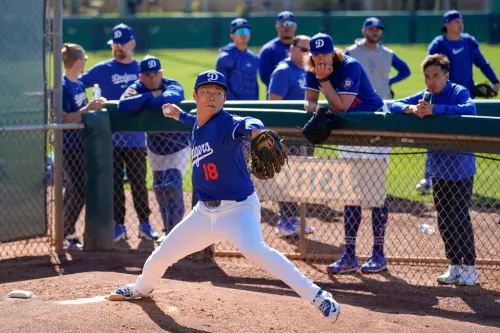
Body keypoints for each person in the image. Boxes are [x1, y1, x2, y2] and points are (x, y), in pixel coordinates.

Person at [107, 70, 340, 322]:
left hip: (238, 210)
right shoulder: (198, 121)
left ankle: (317, 296)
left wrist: (256, 134)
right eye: (206, 92)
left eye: (218, 93)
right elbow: (192, 121)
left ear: (224, 98)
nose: (212, 97)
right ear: (195, 96)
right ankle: (142, 288)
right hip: (204, 213)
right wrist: (177, 115)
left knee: (255, 251)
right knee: (162, 254)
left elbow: (249, 122)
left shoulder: (228, 123)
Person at [304, 33, 390, 274]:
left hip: (373, 127)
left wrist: (323, 81)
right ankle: (350, 256)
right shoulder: (313, 69)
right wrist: (318, 107)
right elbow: (308, 101)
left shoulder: (351, 65)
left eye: (325, 54)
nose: (321, 59)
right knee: (351, 194)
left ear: (334, 52)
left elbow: (342, 106)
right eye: (316, 55)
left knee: (374, 193)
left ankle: (378, 254)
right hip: (348, 132)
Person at [390, 54, 477, 286]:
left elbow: (470, 109)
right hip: (438, 169)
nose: (431, 81)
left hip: (461, 168)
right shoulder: (425, 95)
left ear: (446, 75)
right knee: (444, 220)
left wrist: (435, 110)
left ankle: (470, 267)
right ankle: (455, 265)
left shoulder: (458, 91)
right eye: (427, 77)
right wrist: (410, 108)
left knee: (459, 217)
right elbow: (393, 105)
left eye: (436, 76)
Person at [79, 23, 155, 241]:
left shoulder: (141, 70)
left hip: (136, 139)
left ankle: (144, 224)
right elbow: (76, 84)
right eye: (115, 44)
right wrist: (86, 104)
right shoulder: (103, 69)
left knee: (139, 183)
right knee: (114, 185)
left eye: (122, 44)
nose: (118, 48)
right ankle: (119, 225)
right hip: (110, 139)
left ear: (132, 43)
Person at [416, 10, 499, 195]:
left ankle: (462, 179)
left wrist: (495, 80)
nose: (459, 24)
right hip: (442, 97)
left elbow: (482, 63)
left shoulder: (469, 41)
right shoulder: (439, 44)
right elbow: (430, 67)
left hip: (463, 97)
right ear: (446, 24)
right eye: (455, 21)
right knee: (435, 140)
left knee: (464, 141)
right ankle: (429, 178)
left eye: (461, 21)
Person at [118, 55, 190, 242]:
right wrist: (151, 96)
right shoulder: (137, 87)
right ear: (141, 77)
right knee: (160, 189)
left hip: (178, 146)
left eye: (155, 74)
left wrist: (142, 101)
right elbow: (123, 106)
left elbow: (170, 99)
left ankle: (176, 235)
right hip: (156, 147)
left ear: (161, 73)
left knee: (172, 184)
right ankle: (169, 231)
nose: (152, 78)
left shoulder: (172, 83)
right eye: (147, 76)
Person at [267, 35, 314, 237]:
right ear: (292, 49)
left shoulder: (305, 70)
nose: (307, 53)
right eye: (303, 49)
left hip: (304, 133)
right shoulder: (283, 72)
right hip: (287, 135)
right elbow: (273, 103)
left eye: (309, 50)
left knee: (300, 178)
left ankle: (296, 219)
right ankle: (284, 220)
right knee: (286, 177)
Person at [61, 43, 106, 249]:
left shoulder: (78, 84)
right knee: (77, 190)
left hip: (80, 144)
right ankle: (65, 233)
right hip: (68, 145)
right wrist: (88, 108)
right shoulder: (62, 86)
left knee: (74, 190)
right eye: (85, 60)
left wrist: (93, 106)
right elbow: (63, 118)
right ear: (78, 62)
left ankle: (65, 232)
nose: (85, 63)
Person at [345, 17, 411, 100]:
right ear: (363, 31)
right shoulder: (351, 52)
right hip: (359, 101)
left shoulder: (388, 53)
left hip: (383, 100)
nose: (375, 32)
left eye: (378, 29)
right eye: (371, 29)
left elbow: (405, 71)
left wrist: (389, 81)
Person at [215, 18, 259, 101]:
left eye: (246, 31)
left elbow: (255, 85)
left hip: (252, 105)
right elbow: (221, 86)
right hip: (233, 106)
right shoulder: (225, 57)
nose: (243, 34)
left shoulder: (254, 58)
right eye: (239, 31)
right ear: (232, 35)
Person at [259, 11, 297, 89]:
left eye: (290, 23)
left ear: (295, 26)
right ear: (277, 27)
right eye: (284, 24)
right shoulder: (268, 50)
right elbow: (265, 78)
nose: (287, 27)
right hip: (277, 98)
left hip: (300, 98)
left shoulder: (302, 48)